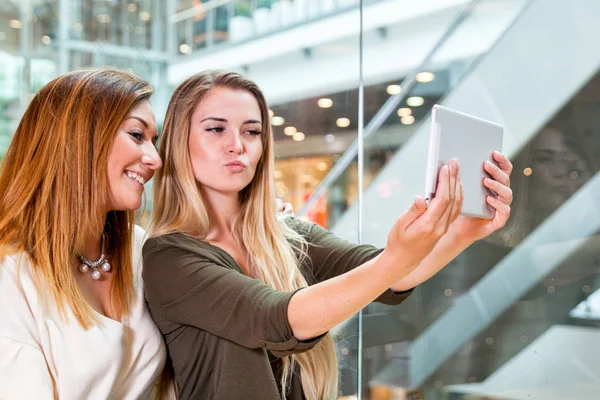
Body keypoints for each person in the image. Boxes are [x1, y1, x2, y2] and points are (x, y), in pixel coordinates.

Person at [142, 70, 513, 400]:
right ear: (178, 142)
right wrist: (396, 257)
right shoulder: (168, 256)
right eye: (216, 128)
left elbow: (386, 276)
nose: (237, 144)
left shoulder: (286, 233)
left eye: (251, 131)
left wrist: (463, 232)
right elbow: (278, 319)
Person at [0, 69, 169, 399]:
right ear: (79, 138)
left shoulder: (137, 250)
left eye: (154, 141)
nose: (155, 159)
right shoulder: (11, 274)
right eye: (137, 135)